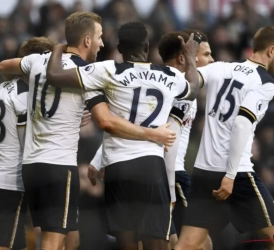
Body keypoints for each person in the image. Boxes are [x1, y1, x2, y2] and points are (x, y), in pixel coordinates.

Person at [0, 14, 176, 250]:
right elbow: (106, 121)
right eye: (100, 38)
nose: (102, 44)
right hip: (59, 165)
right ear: (88, 40)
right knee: (53, 241)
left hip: (31, 165)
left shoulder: (39, 60)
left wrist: (34, 102)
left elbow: (3, 66)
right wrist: (152, 134)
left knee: (70, 239)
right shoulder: (89, 74)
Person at [46, 21, 201, 250]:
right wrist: (190, 56)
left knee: (127, 244)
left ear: (119, 48)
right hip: (151, 166)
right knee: (156, 243)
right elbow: (194, 86)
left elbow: (54, 75)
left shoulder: (108, 69)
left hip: (117, 168)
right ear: (148, 47)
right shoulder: (170, 76)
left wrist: (59, 47)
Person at [174, 26, 274, 250]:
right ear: (271, 51)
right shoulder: (265, 82)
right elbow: (241, 123)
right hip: (235, 173)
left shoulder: (220, 68)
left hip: (204, 171)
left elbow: (189, 86)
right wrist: (230, 174)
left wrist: (190, 58)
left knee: (187, 245)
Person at [0, 36, 55, 250]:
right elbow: (28, 145)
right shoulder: (27, 97)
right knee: (0, 245)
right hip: (10, 182)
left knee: (11, 242)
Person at [158, 30, 214, 250]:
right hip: (173, 175)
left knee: (167, 241)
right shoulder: (184, 88)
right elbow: (171, 138)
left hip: (150, 171)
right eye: (206, 54)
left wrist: (99, 160)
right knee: (201, 243)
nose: (211, 60)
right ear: (185, 57)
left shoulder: (156, 81)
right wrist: (171, 188)